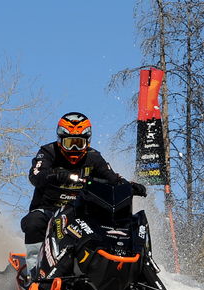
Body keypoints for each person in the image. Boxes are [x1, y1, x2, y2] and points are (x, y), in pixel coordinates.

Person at [21, 112, 147, 278]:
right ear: (60, 141)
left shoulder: (94, 157)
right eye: (69, 143)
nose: (74, 148)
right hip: (49, 210)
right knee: (33, 222)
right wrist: (55, 175)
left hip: (81, 213)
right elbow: (35, 175)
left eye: (79, 143)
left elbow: (112, 177)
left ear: (87, 141)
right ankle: (34, 271)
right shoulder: (47, 152)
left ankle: (119, 269)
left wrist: (129, 187)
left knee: (116, 225)